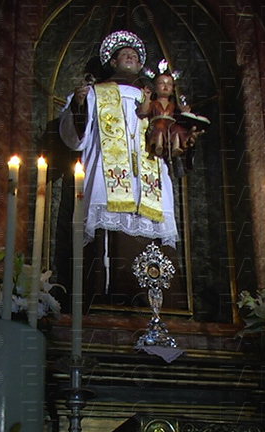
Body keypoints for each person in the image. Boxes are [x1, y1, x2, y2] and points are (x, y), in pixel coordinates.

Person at [59, 30, 186, 308]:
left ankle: (158, 310)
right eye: (124, 54)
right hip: (109, 180)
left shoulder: (157, 102)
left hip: (150, 180)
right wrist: (79, 105)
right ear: (113, 62)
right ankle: (105, 302)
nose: (130, 56)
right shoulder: (95, 93)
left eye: (135, 55)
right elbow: (75, 138)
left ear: (141, 66)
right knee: (109, 240)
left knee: (154, 235)